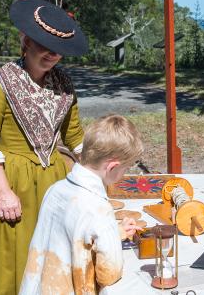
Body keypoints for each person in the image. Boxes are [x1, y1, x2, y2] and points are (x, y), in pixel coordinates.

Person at [0, 0, 88, 295]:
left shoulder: (64, 84)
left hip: (51, 183)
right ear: (26, 41)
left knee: (49, 262)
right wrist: (4, 193)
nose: (53, 55)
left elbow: (75, 136)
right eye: (45, 46)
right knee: (7, 264)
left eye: (59, 50)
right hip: (6, 183)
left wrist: (95, 172)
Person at [19, 114, 143, 294]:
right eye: (125, 169)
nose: (124, 174)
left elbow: (72, 235)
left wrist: (114, 233)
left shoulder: (55, 190)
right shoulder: (99, 209)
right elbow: (109, 274)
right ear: (112, 167)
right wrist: (110, 238)